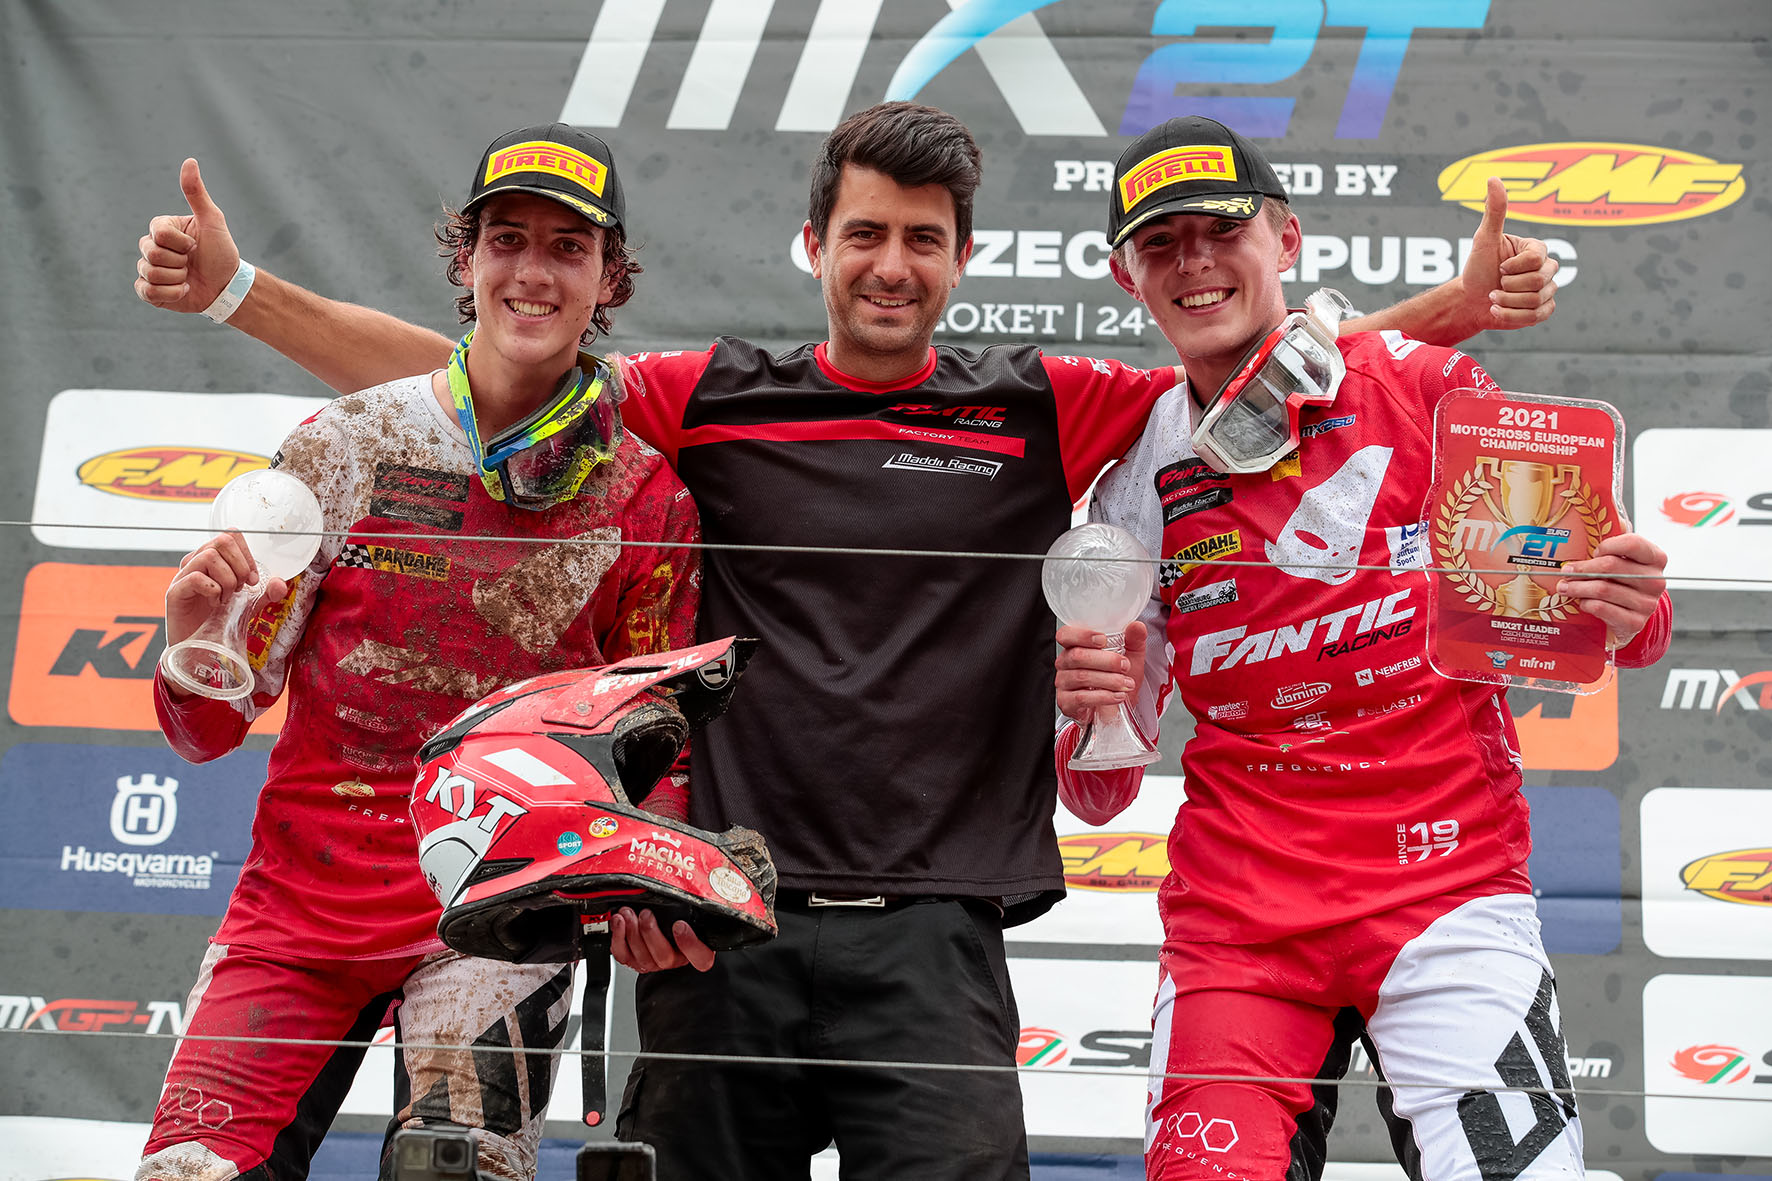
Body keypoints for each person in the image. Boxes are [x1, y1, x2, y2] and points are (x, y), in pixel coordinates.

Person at [134, 103, 1560, 1180]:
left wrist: (1444, 315)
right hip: (720, 926)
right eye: (864, 234)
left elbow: (1241, 380)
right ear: (816, 246)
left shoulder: (1046, 402)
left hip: (936, 937)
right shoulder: (712, 393)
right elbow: (486, 373)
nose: (891, 265)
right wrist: (241, 294)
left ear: (962, 259)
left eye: (922, 240)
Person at [1051, 116, 1672, 1181]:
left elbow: (1631, 629)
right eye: (1160, 244)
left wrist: (1624, 602)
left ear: (1285, 239)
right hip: (1238, 921)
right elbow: (1098, 794)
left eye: (1222, 230)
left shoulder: (1428, 388)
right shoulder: (1136, 477)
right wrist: (1089, 705)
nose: (1194, 261)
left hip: (1446, 891)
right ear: (1125, 275)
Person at [137, 124, 699, 1181]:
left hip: (503, 917)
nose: (532, 272)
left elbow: (663, 744)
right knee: (187, 1173)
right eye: (506, 239)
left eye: (568, 247)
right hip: (296, 912)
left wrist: (649, 878)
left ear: (609, 277)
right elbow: (208, 727)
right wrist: (190, 642)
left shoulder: (646, 496)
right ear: (466, 258)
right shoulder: (342, 444)